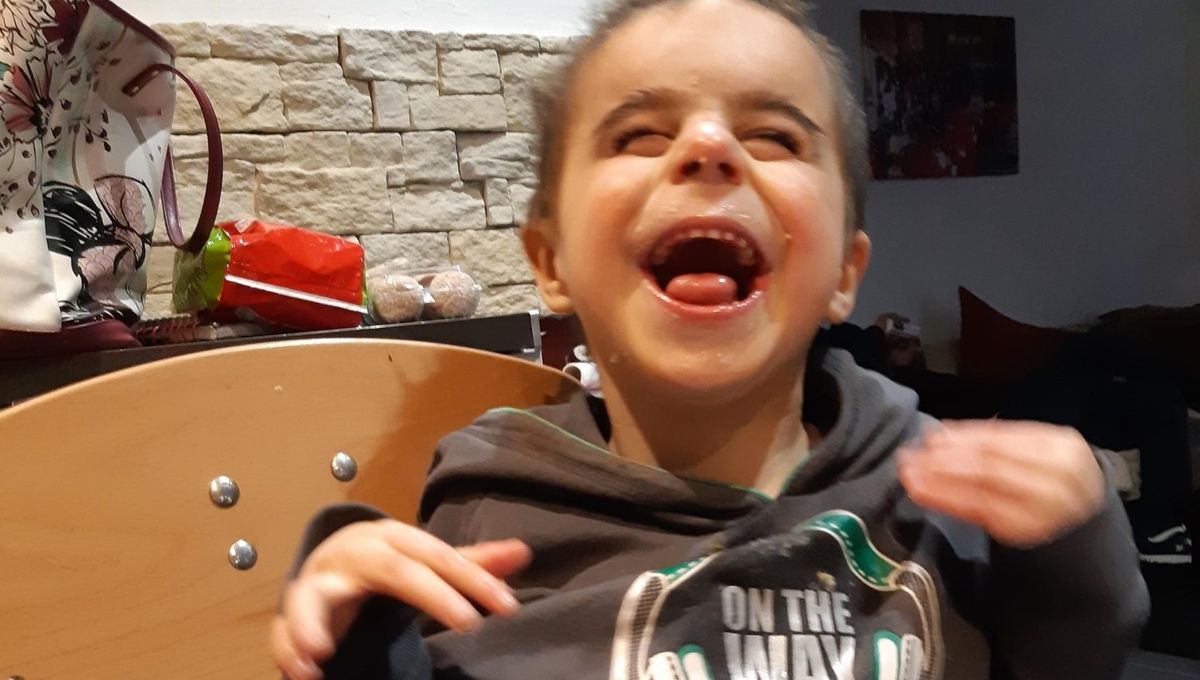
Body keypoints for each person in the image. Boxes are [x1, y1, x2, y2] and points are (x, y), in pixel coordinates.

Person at [271, 1, 1148, 678]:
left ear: (844, 274)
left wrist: (1080, 552)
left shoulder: (937, 489)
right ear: (551, 263)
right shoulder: (488, 501)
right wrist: (356, 637)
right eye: (638, 134)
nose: (708, 145)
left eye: (773, 136)